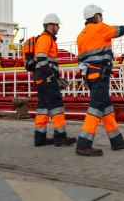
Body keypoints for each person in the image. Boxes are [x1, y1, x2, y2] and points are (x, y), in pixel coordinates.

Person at [75, 5, 124, 156]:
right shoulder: (100, 28)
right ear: (96, 17)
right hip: (100, 75)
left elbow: (81, 61)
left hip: (91, 76)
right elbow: (120, 30)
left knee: (106, 107)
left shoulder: (80, 36)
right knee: (96, 107)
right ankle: (83, 144)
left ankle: (117, 141)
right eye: (100, 15)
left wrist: (85, 78)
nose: (102, 18)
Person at [32, 13, 77, 147]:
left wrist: (57, 76)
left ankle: (39, 138)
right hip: (46, 79)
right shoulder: (46, 39)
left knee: (43, 108)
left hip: (42, 79)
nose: (58, 28)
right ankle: (60, 137)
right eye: (57, 25)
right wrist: (51, 77)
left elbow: (47, 62)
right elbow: (41, 59)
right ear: (50, 25)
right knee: (57, 106)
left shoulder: (47, 39)